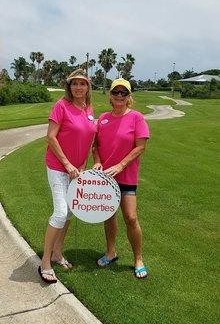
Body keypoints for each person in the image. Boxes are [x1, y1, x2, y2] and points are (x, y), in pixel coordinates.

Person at [38, 69, 96, 284]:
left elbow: (88, 138)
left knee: (70, 211)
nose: (78, 88)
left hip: (77, 169)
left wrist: (81, 165)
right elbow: (50, 137)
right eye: (74, 84)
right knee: (61, 212)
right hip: (58, 166)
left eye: (82, 84)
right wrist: (68, 163)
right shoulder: (61, 106)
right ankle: (45, 261)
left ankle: (57, 253)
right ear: (69, 86)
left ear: (88, 87)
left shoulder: (88, 109)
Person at [93, 78, 150, 279]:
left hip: (126, 176)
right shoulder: (103, 119)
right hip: (106, 178)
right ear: (110, 95)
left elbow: (140, 147)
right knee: (109, 215)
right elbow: (95, 145)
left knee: (131, 217)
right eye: (115, 92)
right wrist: (98, 161)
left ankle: (138, 259)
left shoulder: (137, 118)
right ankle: (111, 252)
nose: (119, 96)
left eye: (123, 93)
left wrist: (120, 165)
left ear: (128, 97)